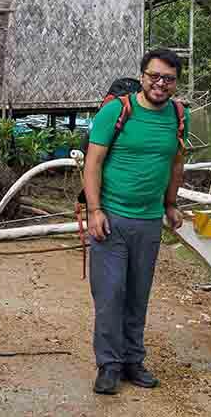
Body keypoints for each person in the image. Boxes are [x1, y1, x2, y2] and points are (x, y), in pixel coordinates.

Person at [83, 49, 190, 395]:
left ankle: (132, 360)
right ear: (142, 76)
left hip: (148, 221)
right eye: (154, 76)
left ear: (176, 83)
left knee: (137, 294)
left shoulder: (178, 114)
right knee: (111, 293)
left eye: (168, 78)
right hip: (112, 217)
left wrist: (171, 204)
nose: (160, 83)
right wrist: (95, 210)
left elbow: (176, 163)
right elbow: (93, 164)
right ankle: (109, 365)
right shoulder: (117, 110)